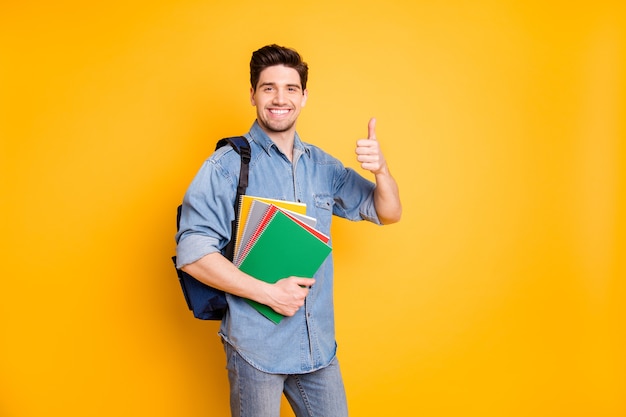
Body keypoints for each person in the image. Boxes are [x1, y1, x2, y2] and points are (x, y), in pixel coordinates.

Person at [175, 44, 402, 417]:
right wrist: (269, 294)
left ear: (304, 96)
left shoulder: (323, 166)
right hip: (255, 349)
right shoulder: (225, 165)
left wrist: (381, 170)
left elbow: (387, 212)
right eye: (268, 88)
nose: (280, 98)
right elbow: (193, 254)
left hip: (318, 348)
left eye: (290, 88)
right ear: (253, 95)